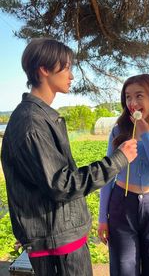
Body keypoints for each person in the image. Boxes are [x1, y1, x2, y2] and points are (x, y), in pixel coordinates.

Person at [1, 38, 137, 276]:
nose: (71, 75)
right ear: (43, 70)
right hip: (57, 244)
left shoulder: (38, 116)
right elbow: (62, 184)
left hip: (58, 236)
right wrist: (118, 160)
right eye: (66, 67)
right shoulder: (32, 123)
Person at [98, 74, 149, 276]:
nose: (132, 103)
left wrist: (146, 136)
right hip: (121, 203)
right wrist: (102, 218)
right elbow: (109, 174)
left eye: (139, 96)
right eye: (128, 97)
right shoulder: (119, 131)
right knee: (123, 266)